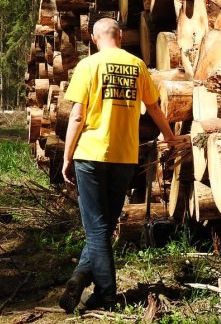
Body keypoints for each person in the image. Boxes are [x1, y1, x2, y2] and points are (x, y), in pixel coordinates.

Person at [59, 18, 175, 312]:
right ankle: (81, 276)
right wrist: (171, 136)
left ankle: (107, 295)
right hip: (124, 156)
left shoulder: (88, 65)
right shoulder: (137, 66)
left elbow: (76, 116)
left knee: (97, 229)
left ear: (94, 38)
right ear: (120, 37)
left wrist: (67, 155)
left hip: (91, 154)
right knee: (105, 226)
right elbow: (153, 108)